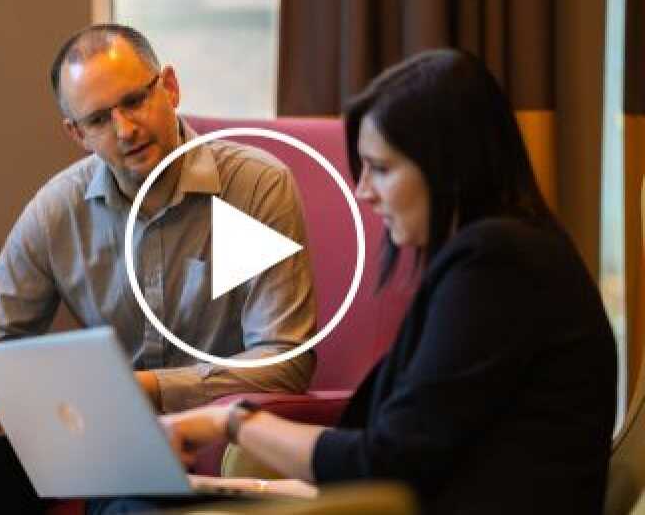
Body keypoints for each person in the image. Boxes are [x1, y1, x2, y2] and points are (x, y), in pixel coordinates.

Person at [99, 49, 618, 515]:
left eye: (381, 169)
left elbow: (389, 460)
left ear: (449, 168)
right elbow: (401, 441)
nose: (364, 192)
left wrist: (231, 421)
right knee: (131, 502)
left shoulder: (499, 265)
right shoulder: (497, 256)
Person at [0, 24, 316, 514]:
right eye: (99, 119)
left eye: (134, 101)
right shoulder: (60, 207)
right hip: (106, 436)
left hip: (212, 438)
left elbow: (285, 361)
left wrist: (141, 390)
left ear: (169, 87)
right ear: (76, 134)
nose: (125, 130)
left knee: (130, 501)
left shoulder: (256, 186)